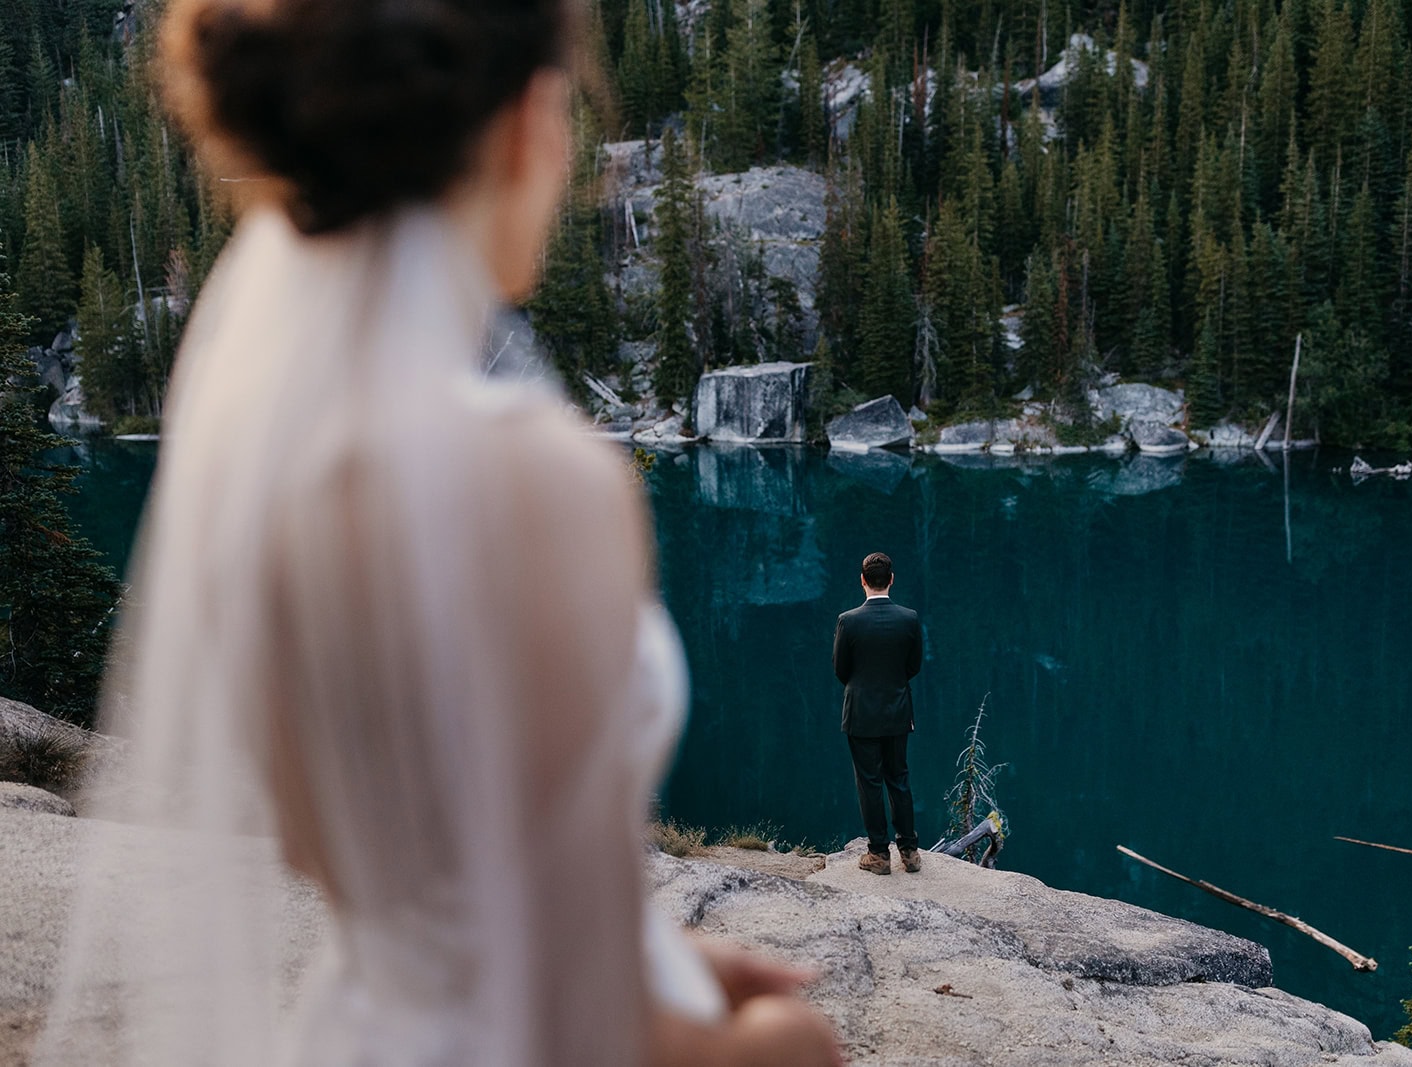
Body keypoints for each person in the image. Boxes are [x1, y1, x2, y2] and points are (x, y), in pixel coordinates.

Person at [33, 2, 842, 1065]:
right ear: (526, 125)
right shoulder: (542, 479)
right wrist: (772, 1043)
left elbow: (405, 869)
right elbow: (578, 1011)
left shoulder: (265, 453)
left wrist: (659, 956)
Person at [832, 552, 924, 876]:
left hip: (861, 714)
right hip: (898, 710)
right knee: (899, 778)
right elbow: (913, 666)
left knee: (869, 782)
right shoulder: (909, 618)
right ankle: (910, 852)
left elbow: (841, 669)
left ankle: (879, 855)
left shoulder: (848, 620)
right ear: (892, 579)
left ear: (862, 580)